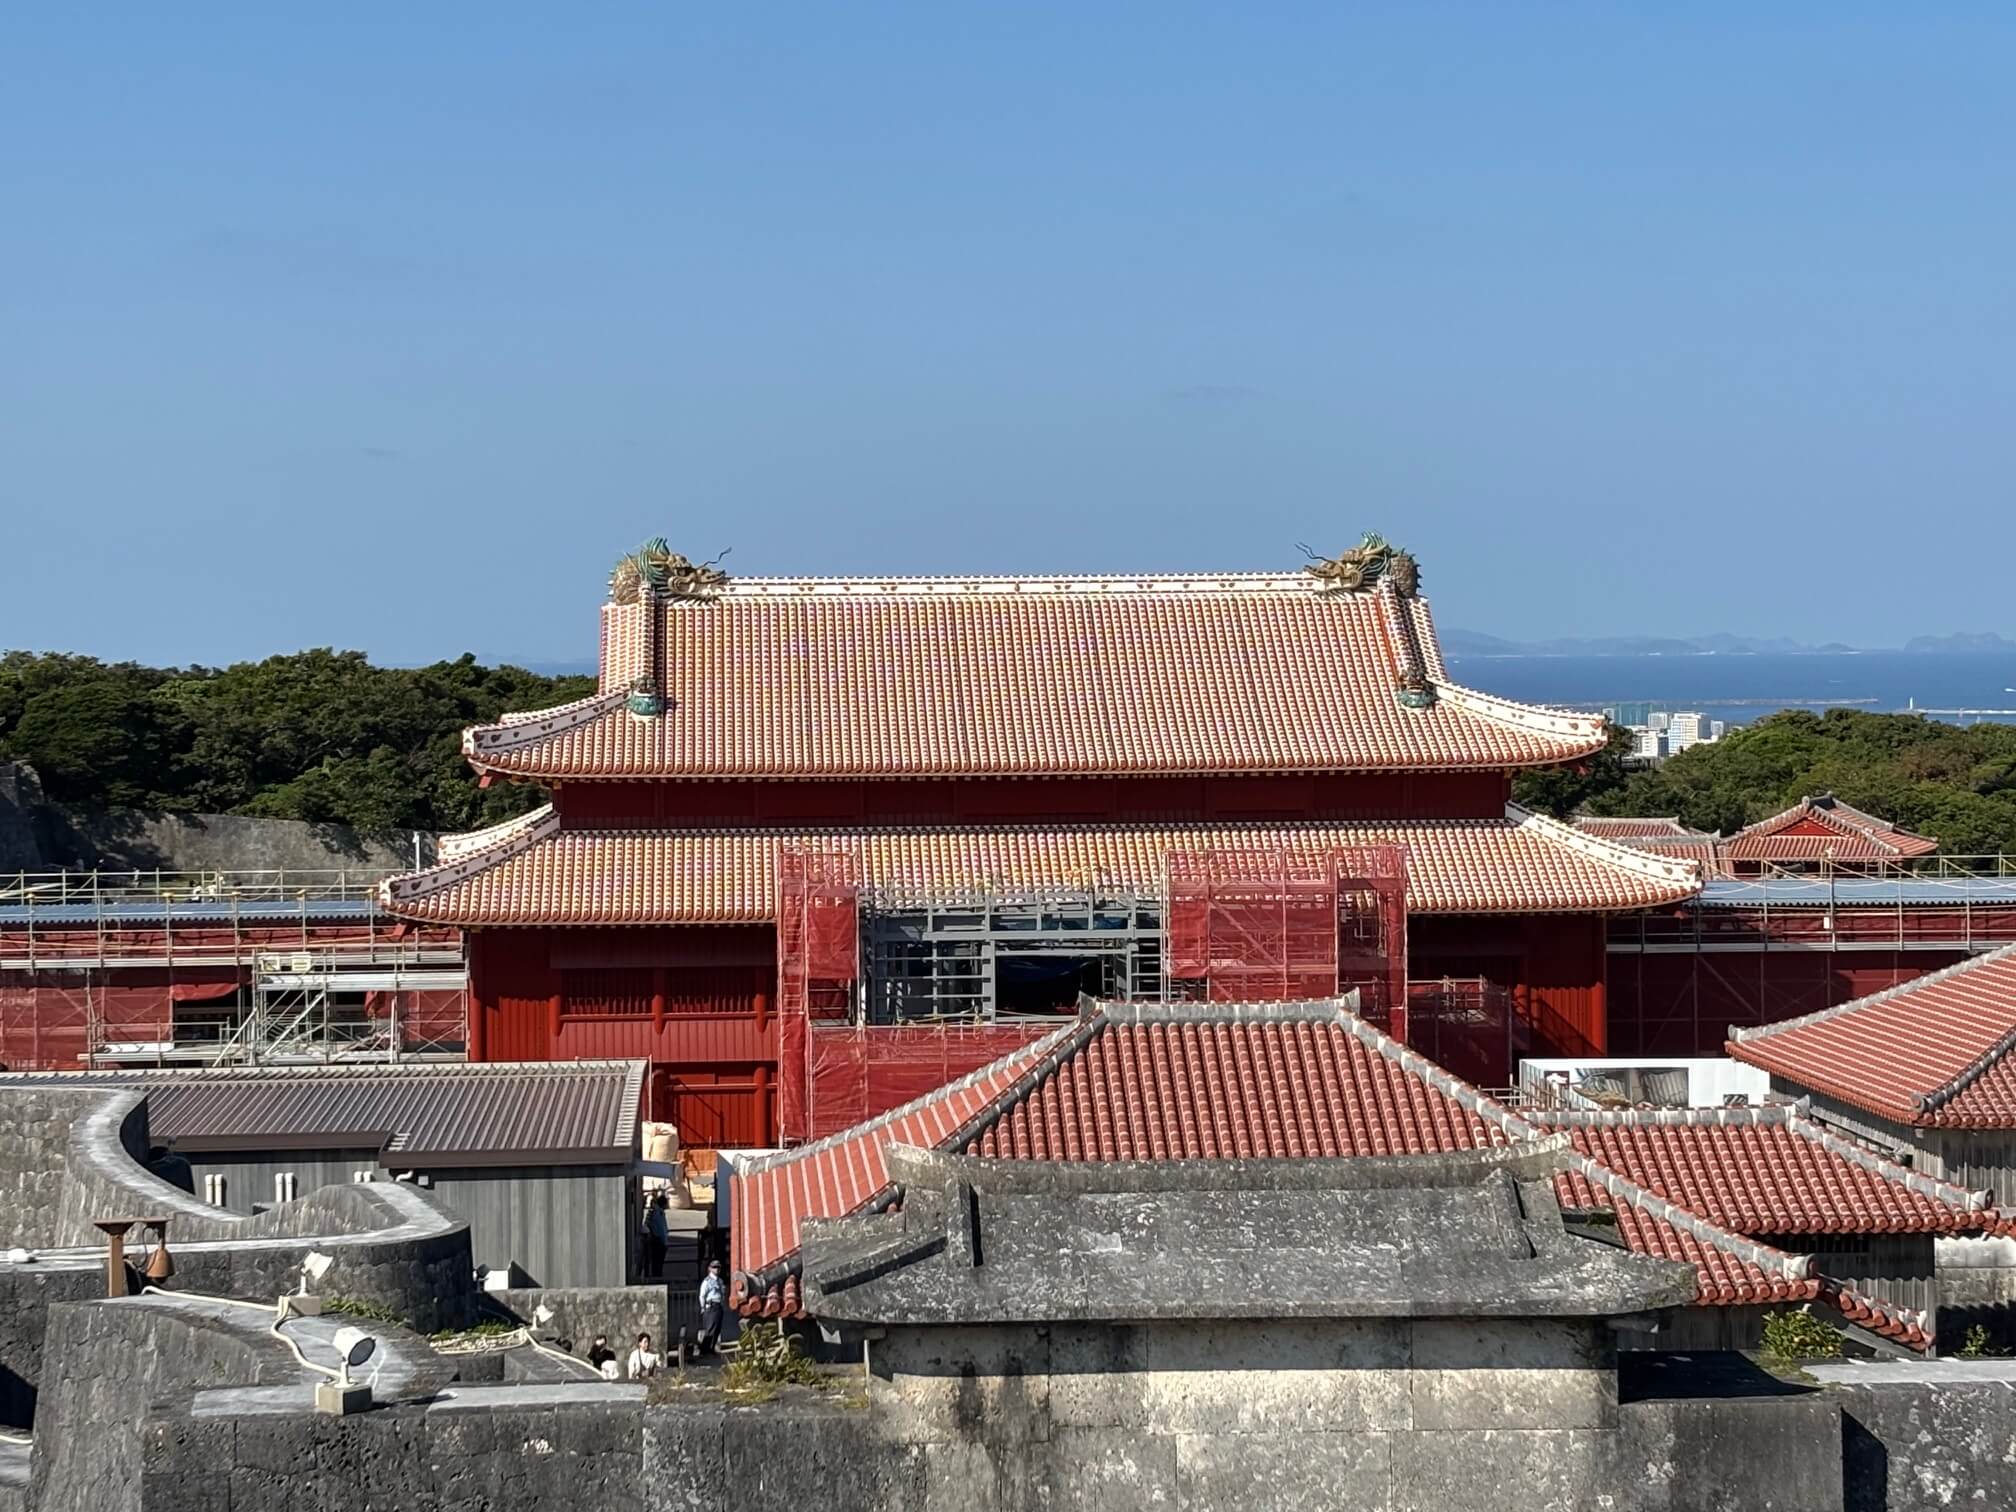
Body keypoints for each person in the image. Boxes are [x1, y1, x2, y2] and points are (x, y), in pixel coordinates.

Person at [697, 1259, 726, 1354]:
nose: (716, 1269)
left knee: (717, 1329)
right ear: (710, 1269)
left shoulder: (720, 1281)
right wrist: (703, 1307)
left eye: (718, 1267)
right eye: (714, 1267)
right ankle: (704, 1349)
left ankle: (711, 1348)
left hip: (718, 1306)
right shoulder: (707, 1281)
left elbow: (722, 1293)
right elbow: (702, 1295)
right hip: (711, 1306)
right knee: (710, 1329)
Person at [642, 1192, 669, 1279]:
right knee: (657, 1264)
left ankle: (657, 1278)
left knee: (657, 1264)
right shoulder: (657, 1213)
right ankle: (657, 1279)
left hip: (660, 1241)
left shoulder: (657, 1212)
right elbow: (660, 1229)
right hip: (658, 1241)